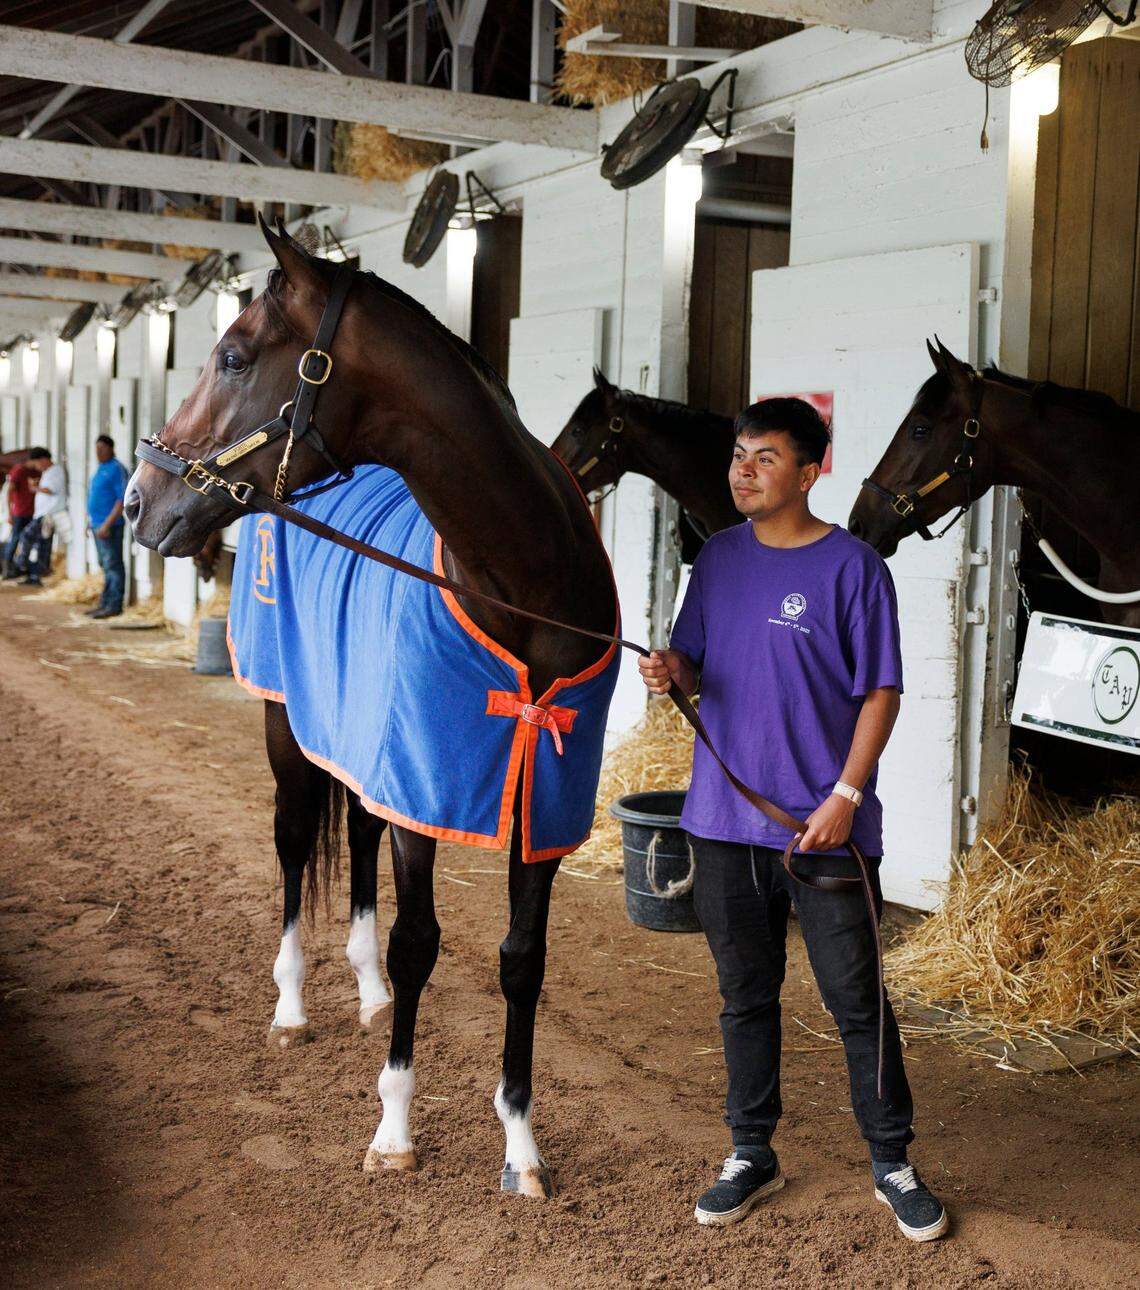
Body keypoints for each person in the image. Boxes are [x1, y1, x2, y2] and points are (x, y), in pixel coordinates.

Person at [638, 398, 948, 1244]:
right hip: (720, 822)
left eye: (764, 458)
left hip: (823, 831)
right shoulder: (718, 562)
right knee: (745, 997)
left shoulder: (854, 569)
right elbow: (696, 667)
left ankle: (891, 1159)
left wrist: (846, 798)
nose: (743, 470)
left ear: (811, 472)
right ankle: (750, 1151)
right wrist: (672, 671)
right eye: (739, 455)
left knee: (856, 1000)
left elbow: (881, 690)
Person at [86, 433, 129, 619]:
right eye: (96, 449)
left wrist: (106, 524)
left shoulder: (117, 469)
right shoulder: (100, 468)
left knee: (113, 564)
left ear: (111, 448)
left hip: (109, 526)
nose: (98, 453)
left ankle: (114, 605)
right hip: (97, 525)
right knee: (105, 564)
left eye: (101, 449)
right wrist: (89, 522)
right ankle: (105, 602)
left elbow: (121, 500)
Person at [17, 447, 66, 587]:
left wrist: (35, 488)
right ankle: (35, 575)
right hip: (42, 514)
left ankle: (22, 565)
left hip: (47, 515)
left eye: (37, 463)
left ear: (43, 459)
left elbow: (51, 489)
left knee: (26, 536)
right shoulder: (48, 472)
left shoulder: (56, 471)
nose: (37, 467)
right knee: (41, 546)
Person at [2, 453, 38, 579]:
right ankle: (7, 569)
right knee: (15, 539)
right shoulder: (18, 471)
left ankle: (24, 567)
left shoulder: (35, 471)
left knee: (29, 541)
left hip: (32, 512)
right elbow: (9, 491)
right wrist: (9, 513)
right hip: (19, 512)